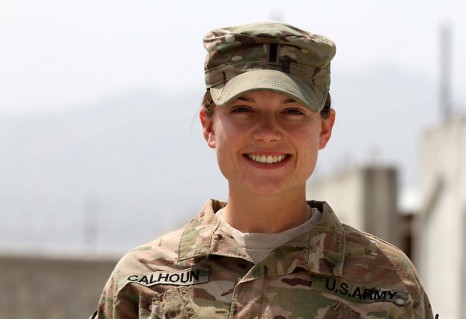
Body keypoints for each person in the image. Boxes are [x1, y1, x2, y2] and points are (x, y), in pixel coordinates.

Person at [91, 21, 434, 318]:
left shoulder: (388, 282)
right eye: (243, 109)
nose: (268, 132)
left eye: (292, 111)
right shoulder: (142, 279)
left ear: (325, 129)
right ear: (208, 126)